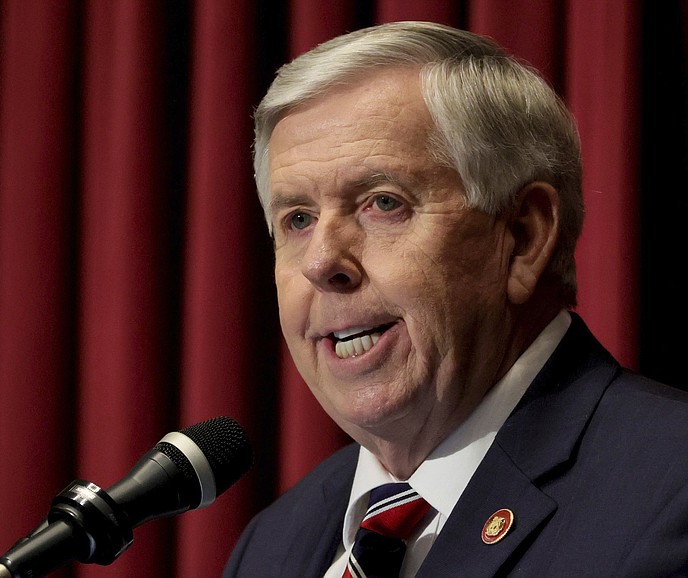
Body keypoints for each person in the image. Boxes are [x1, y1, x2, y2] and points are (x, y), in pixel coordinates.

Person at [223, 21, 688, 577]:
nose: (323, 264)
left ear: (522, 237)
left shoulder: (671, 487)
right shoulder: (273, 546)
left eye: (383, 203)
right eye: (297, 219)